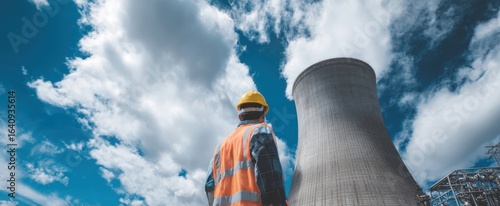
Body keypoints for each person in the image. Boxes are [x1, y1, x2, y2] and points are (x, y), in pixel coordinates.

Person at [205, 91, 288, 206]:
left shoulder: (219, 148)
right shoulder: (259, 132)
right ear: (263, 115)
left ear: (240, 116)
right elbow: (269, 177)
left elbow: (210, 187)